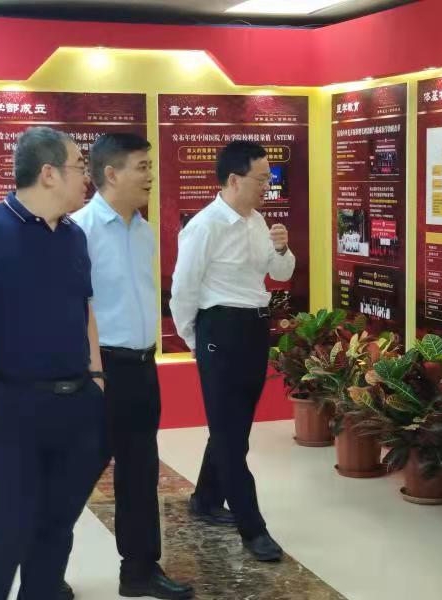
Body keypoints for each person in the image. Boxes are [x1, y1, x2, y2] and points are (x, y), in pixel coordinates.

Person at [0, 127, 106, 600]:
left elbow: (84, 310)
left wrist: (97, 377)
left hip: (75, 402)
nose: (87, 178)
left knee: (58, 523)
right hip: (8, 404)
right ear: (48, 173)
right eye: (79, 166)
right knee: (7, 526)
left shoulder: (73, 236)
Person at [69, 134, 194, 599]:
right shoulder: (78, 231)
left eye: (150, 166)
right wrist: (91, 372)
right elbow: (73, 308)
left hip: (142, 366)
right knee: (76, 474)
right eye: (142, 167)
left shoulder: (144, 231)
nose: (150, 176)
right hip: (100, 370)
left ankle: (139, 570)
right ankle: (43, 569)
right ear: (111, 173)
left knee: (141, 470)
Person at [170, 141, 295, 562]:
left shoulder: (257, 221)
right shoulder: (205, 226)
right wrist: (195, 340)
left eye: (268, 178)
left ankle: (206, 499)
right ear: (233, 180)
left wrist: (282, 248)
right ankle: (252, 528)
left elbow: (279, 274)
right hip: (219, 331)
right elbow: (183, 289)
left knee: (234, 428)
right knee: (229, 434)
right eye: (261, 178)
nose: (267, 186)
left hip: (254, 329)